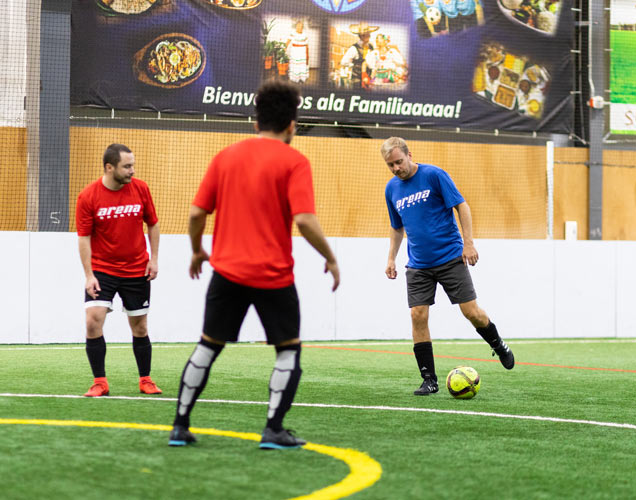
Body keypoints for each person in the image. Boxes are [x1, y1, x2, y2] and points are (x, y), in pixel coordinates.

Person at [168, 81, 340, 449]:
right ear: (292, 125)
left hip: (226, 273)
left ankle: (180, 426)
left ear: (254, 122)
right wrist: (330, 256)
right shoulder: (295, 162)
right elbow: (306, 220)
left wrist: (198, 250)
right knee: (288, 350)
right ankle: (273, 429)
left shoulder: (225, 156)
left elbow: (197, 212)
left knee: (208, 346)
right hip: (273, 276)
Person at [381, 137, 514, 396]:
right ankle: (429, 380)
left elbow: (461, 206)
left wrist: (469, 243)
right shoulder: (391, 189)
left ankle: (498, 344)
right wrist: (390, 258)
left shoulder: (434, 175)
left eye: (399, 162)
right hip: (418, 264)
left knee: (471, 312)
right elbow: (397, 226)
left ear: (409, 154)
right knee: (417, 315)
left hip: (451, 257)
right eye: (391, 165)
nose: (397, 168)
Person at [75, 143, 162, 397]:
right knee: (93, 322)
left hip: (137, 269)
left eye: (132, 165)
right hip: (102, 270)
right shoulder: (88, 196)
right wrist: (89, 275)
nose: (132, 171)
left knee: (140, 327)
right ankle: (100, 382)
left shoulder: (141, 189)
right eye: (127, 166)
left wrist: (153, 259)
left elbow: (153, 225)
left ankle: (145, 379)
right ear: (109, 167)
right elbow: (84, 238)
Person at [338, 22, 377, 88]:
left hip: (369, 79)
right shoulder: (354, 48)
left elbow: (373, 63)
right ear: (361, 36)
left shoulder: (371, 47)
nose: (369, 36)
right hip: (357, 80)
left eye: (369, 34)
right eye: (366, 34)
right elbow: (343, 62)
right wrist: (355, 65)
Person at [286, 19, 309, 84]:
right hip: (295, 52)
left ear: (302, 27)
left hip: (302, 52)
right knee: (295, 65)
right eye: (298, 26)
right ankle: (294, 78)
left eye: (301, 26)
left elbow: (307, 45)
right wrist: (284, 49)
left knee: (302, 65)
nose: (299, 28)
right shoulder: (292, 33)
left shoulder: (305, 35)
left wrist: (307, 55)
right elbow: (287, 42)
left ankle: (302, 78)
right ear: (296, 26)